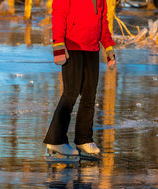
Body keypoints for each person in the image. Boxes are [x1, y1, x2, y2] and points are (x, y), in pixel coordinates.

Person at [44, 0, 116, 157]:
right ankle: (56, 140)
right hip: (72, 44)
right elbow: (59, 14)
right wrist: (58, 44)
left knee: (90, 95)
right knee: (71, 93)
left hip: (92, 47)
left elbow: (102, 21)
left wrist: (108, 45)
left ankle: (84, 139)